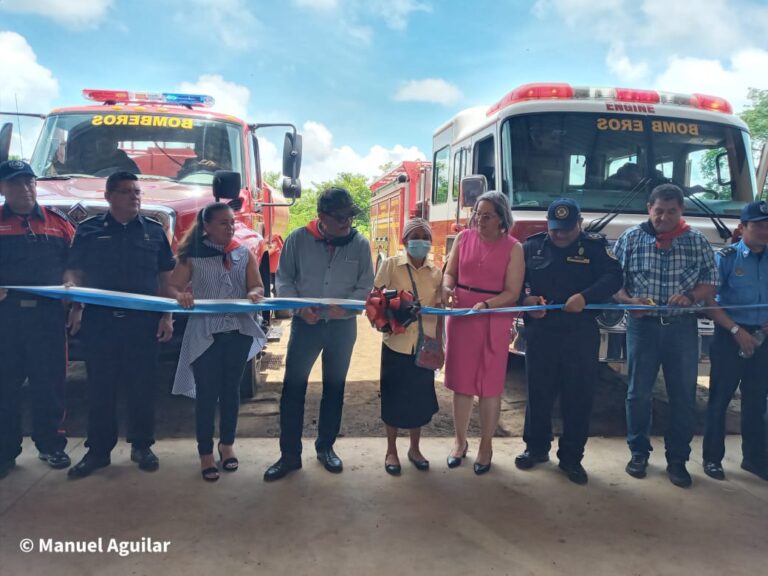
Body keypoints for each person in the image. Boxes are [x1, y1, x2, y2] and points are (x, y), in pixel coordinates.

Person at [65, 171, 175, 479]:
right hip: (100, 324)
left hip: (143, 324)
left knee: (142, 387)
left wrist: (167, 315)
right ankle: (98, 451)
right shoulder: (87, 230)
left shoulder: (153, 231)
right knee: (101, 388)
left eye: (137, 191)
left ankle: (142, 446)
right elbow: (75, 272)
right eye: (126, 191)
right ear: (109, 196)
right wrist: (74, 300)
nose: (134, 196)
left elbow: (166, 275)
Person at [264, 187, 374, 481]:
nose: (346, 222)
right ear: (322, 216)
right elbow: (284, 280)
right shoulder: (298, 240)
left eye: (350, 216)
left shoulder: (360, 245)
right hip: (306, 326)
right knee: (293, 389)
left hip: (342, 328)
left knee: (334, 389)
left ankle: (326, 448)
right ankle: (289, 456)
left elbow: (365, 286)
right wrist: (300, 310)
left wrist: (348, 310)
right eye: (340, 217)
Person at [613, 183, 719, 488]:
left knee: (684, 396)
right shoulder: (631, 239)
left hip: (682, 330)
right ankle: (638, 453)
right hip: (642, 328)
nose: (664, 217)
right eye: (659, 210)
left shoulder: (696, 241)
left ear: (681, 211)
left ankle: (678, 460)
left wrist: (690, 296)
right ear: (649, 209)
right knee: (638, 393)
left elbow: (710, 283)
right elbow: (612, 282)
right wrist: (629, 301)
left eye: (671, 211)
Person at [515, 198, 623, 484]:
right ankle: (535, 449)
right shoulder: (531, 247)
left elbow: (614, 277)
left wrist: (585, 297)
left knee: (578, 397)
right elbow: (512, 286)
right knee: (538, 394)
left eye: (566, 229)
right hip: (541, 332)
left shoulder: (595, 248)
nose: (559, 235)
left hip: (579, 333)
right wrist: (526, 301)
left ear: (579, 224)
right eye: (554, 229)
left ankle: (572, 458)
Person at [168, 203, 267, 482]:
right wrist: (180, 296)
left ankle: (227, 444)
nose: (230, 228)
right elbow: (172, 286)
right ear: (207, 226)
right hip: (204, 335)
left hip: (237, 332)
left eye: (232, 222)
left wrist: (255, 294)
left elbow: (256, 285)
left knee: (231, 391)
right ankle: (205, 453)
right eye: (223, 223)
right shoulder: (191, 257)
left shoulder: (242, 253)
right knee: (206, 395)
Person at [0, 160, 76, 479]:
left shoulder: (57, 222)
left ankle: (51, 445)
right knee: (5, 387)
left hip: (48, 318)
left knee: (50, 384)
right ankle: (5, 452)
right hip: (6, 320)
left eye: (30, 182)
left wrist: (74, 289)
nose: (25, 189)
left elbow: (76, 261)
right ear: (3, 188)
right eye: (16, 183)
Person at [442, 191, 525, 475]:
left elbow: (513, 292)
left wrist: (487, 304)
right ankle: (460, 442)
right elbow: (449, 273)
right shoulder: (463, 239)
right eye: (477, 214)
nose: (480, 220)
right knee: (461, 385)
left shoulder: (514, 248)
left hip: (493, 317)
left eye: (487, 215)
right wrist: (447, 287)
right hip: (463, 316)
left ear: (502, 218)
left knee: (489, 387)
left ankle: (486, 446)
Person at [701, 200, 768, 482]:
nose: (765, 231)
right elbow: (708, 300)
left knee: (757, 401)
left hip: (764, 337)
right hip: (729, 335)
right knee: (720, 399)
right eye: (758, 226)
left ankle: (754, 459)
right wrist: (735, 331)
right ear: (742, 228)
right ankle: (712, 459)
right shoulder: (726, 257)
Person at [373, 218, 442, 476]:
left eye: (425, 237)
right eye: (415, 236)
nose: (420, 241)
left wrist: (441, 345)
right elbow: (374, 299)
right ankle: (391, 450)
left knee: (419, 401)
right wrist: (395, 309)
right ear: (404, 241)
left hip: (424, 347)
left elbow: (441, 313)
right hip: (396, 344)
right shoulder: (391, 265)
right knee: (393, 398)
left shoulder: (436, 273)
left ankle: (415, 448)